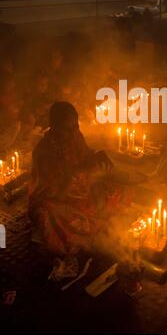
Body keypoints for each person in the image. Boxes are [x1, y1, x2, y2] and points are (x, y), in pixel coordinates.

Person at [28, 101, 115, 256]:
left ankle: (90, 219)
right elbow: (55, 194)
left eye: (76, 126)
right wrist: (76, 173)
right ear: (53, 127)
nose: (74, 132)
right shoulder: (43, 152)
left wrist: (98, 155)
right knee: (46, 217)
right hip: (54, 201)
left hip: (80, 191)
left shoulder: (75, 136)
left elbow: (86, 157)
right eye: (67, 129)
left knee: (114, 189)